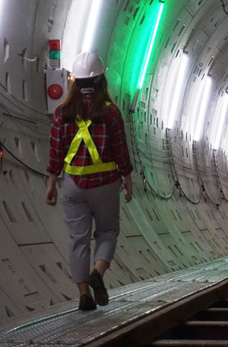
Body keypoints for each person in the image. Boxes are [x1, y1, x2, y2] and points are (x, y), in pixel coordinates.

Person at [45, 51, 133, 311]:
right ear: (101, 81)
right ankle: (98, 272)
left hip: (73, 185)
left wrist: (51, 182)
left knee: (77, 239)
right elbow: (120, 151)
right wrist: (127, 178)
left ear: (75, 81)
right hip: (105, 184)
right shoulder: (112, 113)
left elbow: (56, 151)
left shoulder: (62, 113)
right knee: (107, 231)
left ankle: (84, 294)